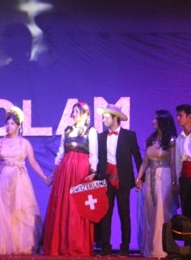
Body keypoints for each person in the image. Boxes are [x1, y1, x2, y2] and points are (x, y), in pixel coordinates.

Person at [0, 106, 49, 254]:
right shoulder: (0, 142)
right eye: (7, 123)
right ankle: (1, 245)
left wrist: (44, 177)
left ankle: (20, 245)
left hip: (20, 180)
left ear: (18, 126)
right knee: (2, 211)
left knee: (19, 211)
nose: (9, 126)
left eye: (12, 124)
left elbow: (33, 162)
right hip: (2, 179)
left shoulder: (25, 143)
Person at [42, 101, 98, 256]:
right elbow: (60, 153)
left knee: (76, 207)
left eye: (76, 111)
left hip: (80, 172)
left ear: (85, 114)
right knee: (63, 205)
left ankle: (76, 244)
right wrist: (54, 173)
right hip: (65, 173)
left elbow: (93, 154)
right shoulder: (67, 131)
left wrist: (93, 172)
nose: (73, 114)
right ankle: (61, 244)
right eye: (73, 111)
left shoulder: (91, 131)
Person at [96, 103, 142, 256]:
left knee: (124, 214)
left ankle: (125, 247)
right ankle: (105, 246)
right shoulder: (101, 137)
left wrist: (140, 178)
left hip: (123, 180)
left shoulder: (129, 136)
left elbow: (137, 157)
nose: (103, 119)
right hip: (106, 180)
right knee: (105, 214)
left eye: (106, 117)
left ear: (115, 118)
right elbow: (98, 160)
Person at [135, 110, 178, 257]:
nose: (153, 121)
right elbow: (145, 161)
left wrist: (174, 182)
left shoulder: (171, 140)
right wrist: (139, 178)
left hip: (164, 177)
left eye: (156, 119)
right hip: (150, 177)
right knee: (150, 212)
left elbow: (173, 163)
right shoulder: (151, 139)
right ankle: (150, 248)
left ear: (163, 122)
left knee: (162, 211)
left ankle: (162, 249)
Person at [174, 104, 191, 222]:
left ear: (189, 116)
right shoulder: (179, 139)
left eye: (180, 115)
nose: (178, 118)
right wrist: (177, 182)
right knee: (187, 215)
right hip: (185, 179)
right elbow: (178, 163)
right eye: (177, 115)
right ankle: (189, 235)